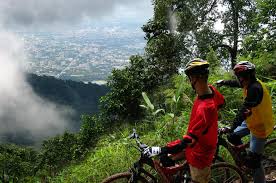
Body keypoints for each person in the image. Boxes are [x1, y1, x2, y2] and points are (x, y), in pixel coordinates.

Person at [143, 58, 225, 183]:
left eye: (190, 77)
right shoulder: (211, 90)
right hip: (198, 144)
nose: (189, 81)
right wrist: (211, 124)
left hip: (200, 155)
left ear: (194, 78)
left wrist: (162, 149)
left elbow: (188, 141)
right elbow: (222, 103)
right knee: (166, 161)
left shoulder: (206, 108)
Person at [216, 61, 274, 183]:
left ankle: (254, 163)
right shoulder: (248, 83)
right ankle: (246, 157)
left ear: (248, 76)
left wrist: (231, 127)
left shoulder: (255, 89)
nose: (239, 79)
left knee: (254, 163)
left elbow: (243, 111)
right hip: (252, 120)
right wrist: (224, 82)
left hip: (260, 127)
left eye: (241, 76)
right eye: (238, 77)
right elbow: (237, 84)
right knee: (232, 137)